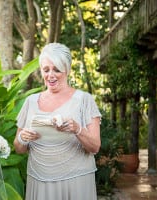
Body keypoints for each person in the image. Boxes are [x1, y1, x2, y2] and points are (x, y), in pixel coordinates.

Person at [13, 43, 102, 200]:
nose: (50, 75)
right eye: (46, 70)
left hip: (76, 180)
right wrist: (23, 138)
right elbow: (19, 148)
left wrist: (77, 129)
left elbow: (95, 147)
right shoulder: (30, 101)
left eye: (57, 70)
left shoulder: (84, 100)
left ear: (67, 70)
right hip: (39, 180)